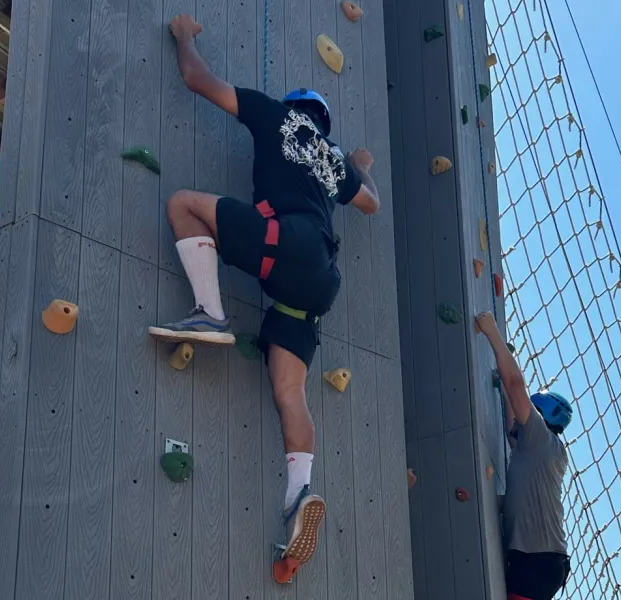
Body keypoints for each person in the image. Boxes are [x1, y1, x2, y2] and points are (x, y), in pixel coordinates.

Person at [149, 14, 381, 582]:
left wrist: (184, 36)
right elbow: (370, 201)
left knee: (184, 203)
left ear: (293, 105)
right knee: (289, 390)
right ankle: (299, 494)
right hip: (317, 284)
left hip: (285, 244)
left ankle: (209, 312)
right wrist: (356, 166)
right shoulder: (329, 160)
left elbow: (198, 80)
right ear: (324, 122)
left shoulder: (275, 114)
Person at [475, 311, 573, 600]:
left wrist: (492, 332)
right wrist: (503, 392)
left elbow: (516, 384)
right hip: (545, 563)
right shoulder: (541, 448)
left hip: (534, 561)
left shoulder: (538, 436)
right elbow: (511, 429)